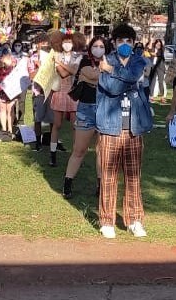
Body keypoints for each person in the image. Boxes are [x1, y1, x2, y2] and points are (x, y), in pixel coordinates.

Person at [95, 24, 153, 238]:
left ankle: (135, 219)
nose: (125, 44)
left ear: (133, 42)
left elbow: (134, 75)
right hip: (110, 125)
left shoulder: (139, 60)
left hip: (134, 126)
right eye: (121, 41)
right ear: (114, 42)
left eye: (128, 41)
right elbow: (112, 88)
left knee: (133, 176)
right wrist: (125, 78)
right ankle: (106, 220)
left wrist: (115, 73)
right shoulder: (106, 60)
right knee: (109, 176)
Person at [62, 36, 105, 199]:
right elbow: (92, 75)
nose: (98, 49)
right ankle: (67, 183)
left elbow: (99, 77)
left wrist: (96, 77)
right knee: (79, 150)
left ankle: (100, 186)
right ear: (90, 47)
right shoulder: (85, 60)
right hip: (86, 109)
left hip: (105, 110)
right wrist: (102, 73)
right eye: (96, 46)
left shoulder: (111, 62)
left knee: (102, 151)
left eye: (102, 46)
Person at [48, 32, 85, 167]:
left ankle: (75, 155)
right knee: (56, 125)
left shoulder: (78, 57)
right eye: (65, 42)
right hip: (60, 92)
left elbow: (74, 71)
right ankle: (52, 154)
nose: (67, 44)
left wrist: (60, 64)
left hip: (74, 93)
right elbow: (63, 74)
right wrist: (64, 65)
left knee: (75, 126)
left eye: (69, 42)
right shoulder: (57, 56)